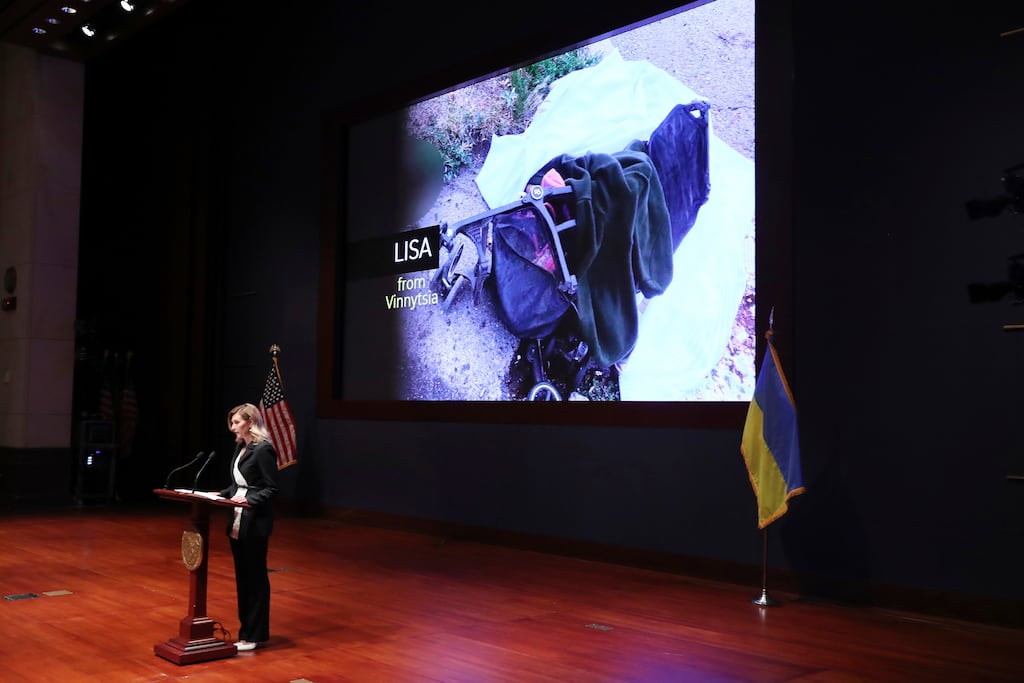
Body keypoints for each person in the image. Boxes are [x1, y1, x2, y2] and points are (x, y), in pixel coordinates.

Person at [218, 402, 280, 652]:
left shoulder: (263, 449)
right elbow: (239, 485)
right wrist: (219, 494)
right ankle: (245, 633)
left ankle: (255, 635)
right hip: (237, 523)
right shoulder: (241, 448)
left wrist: (249, 500)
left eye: (236, 423)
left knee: (254, 579)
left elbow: (270, 488)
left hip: (254, 523)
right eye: (231, 423)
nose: (232, 428)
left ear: (250, 422)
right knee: (243, 579)